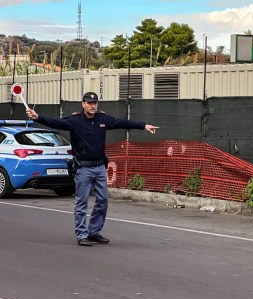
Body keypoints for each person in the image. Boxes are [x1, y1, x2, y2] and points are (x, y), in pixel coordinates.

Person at [26, 92, 159, 247]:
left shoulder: (103, 119)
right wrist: (38, 117)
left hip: (100, 168)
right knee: (82, 203)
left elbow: (121, 122)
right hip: (83, 169)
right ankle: (82, 235)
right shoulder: (74, 121)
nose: (92, 106)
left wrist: (143, 125)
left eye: (95, 103)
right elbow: (56, 122)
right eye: (89, 103)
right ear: (83, 104)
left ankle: (94, 232)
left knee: (103, 200)